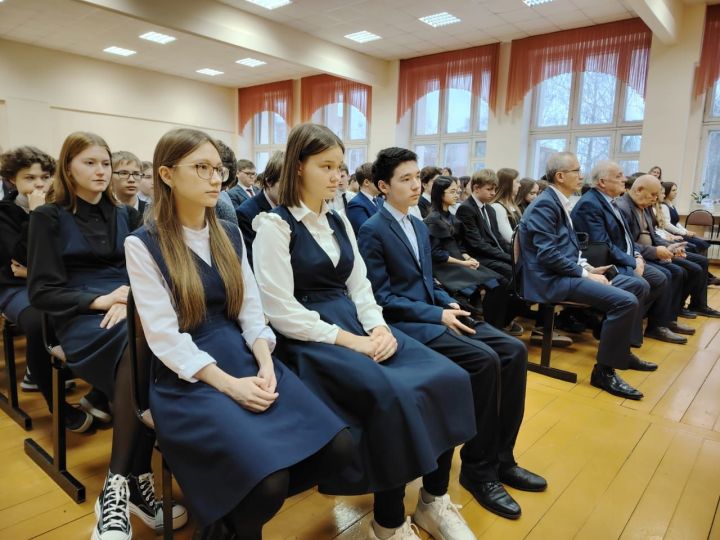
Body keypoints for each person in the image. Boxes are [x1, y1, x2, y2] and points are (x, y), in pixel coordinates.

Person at [125, 128, 351, 540]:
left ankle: (228, 522)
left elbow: (250, 311)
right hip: (187, 375)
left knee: (336, 446)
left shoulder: (228, 233)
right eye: (202, 168)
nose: (216, 179)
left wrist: (266, 361)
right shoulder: (143, 244)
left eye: (219, 169)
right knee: (267, 482)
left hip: (244, 353)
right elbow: (164, 337)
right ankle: (233, 525)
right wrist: (230, 386)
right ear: (167, 174)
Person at [252, 123, 475, 540]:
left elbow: (360, 285)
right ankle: (387, 525)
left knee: (449, 378)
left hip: (357, 322)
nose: (338, 176)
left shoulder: (338, 218)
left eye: (341, 167)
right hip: (309, 338)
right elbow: (280, 310)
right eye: (327, 166)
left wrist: (377, 326)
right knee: (391, 397)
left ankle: (434, 501)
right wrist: (353, 340)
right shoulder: (274, 226)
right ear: (298, 168)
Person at [358, 150, 545, 523]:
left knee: (513, 351)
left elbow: (429, 281)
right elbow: (382, 298)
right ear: (382, 186)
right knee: (485, 361)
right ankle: (478, 470)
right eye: (405, 179)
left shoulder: (417, 223)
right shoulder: (372, 229)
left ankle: (502, 458)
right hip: (409, 323)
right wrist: (436, 312)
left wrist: (447, 302)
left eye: (417, 178)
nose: (416, 185)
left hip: (436, 310)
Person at [27, 132, 188, 539]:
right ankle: (126, 483)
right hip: (80, 315)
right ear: (68, 168)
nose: (101, 172)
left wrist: (131, 299)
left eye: (105, 164)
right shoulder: (47, 217)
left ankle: (122, 485)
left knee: (159, 343)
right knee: (141, 350)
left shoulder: (127, 214)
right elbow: (41, 291)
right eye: (90, 163)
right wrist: (102, 300)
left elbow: (146, 270)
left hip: (129, 307)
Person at [519, 152, 655, 401]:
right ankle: (604, 371)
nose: (582, 176)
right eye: (576, 171)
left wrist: (588, 268)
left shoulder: (561, 200)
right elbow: (548, 255)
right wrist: (584, 273)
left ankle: (618, 351)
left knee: (637, 286)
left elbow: (566, 249)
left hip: (564, 273)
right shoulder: (546, 204)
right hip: (549, 280)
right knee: (625, 301)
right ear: (560, 176)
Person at [0, 146, 93, 430]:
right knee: (41, 321)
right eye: (30, 178)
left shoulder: (61, 207)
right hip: (14, 286)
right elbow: (17, 260)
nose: (39, 184)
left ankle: (99, 389)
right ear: (13, 181)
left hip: (53, 280)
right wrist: (37, 216)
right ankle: (57, 405)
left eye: (44, 177)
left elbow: (70, 254)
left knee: (94, 309)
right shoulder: (5, 213)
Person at [571, 160, 691, 345]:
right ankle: (626, 339)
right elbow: (603, 246)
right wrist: (632, 261)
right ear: (602, 182)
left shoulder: (611, 202)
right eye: (619, 176)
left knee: (660, 278)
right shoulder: (591, 204)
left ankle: (613, 326)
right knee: (643, 283)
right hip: (602, 263)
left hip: (624, 257)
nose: (624, 179)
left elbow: (627, 238)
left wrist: (636, 256)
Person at [616, 175, 720, 320]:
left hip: (652, 251)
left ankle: (673, 312)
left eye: (658, 195)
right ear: (639, 190)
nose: (656, 199)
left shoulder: (644, 206)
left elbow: (654, 236)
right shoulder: (622, 208)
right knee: (677, 272)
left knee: (695, 265)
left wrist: (670, 246)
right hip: (641, 255)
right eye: (654, 194)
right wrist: (657, 251)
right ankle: (663, 319)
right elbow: (626, 244)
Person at [423, 176, 510, 329]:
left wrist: (468, 257)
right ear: (440, 194)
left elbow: (460, 246)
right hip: (444, 267)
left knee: (500, 282)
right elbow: (436, 254)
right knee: (493, 284)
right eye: (452, 192)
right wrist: (463, 263)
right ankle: (486, 326)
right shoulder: (433, 220)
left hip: (458, 261)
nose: (457, 195)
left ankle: (494, 326)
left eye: (458, 191)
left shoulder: (451, 217)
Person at [236, 151, 283, 265]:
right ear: (269, 181)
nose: (293, 190)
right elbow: (252, 263)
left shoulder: (294, 206)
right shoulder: (246, 213)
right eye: (285, 184)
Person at [345, 162, 382, 234]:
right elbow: (367, 233)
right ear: (366, 182)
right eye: (378, 180)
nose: (382, 183)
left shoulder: (381, 201)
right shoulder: (355, 205)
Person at [491, 168, 522, 244]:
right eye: (517, 182)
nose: (520, 185)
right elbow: (510, 237)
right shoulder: (497, 207)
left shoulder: (514, 206)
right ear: (507, 184)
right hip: (509, 252)